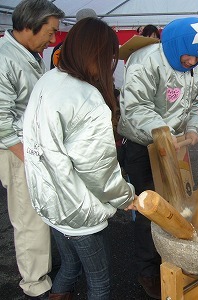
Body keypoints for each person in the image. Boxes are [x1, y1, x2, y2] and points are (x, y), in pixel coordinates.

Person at [118, 17, 198, 299]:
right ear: (176, 44)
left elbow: (194, 103)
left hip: (173, 146)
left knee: (175, 204)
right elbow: (135, 107)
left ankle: (170, 257)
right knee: (149, 209)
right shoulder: (145, 60)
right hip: (141, 145)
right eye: (190, 54)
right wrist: (164, 132)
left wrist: (193, 128)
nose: (193, 61)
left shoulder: (197, 66)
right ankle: (148, 270)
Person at [23, 18, 138, 300]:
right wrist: (126, 198)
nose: (111, 63)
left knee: (71, 266)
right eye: (110, 55)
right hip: (78, 211)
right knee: (99, 283)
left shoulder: (48, 79)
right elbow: (98, 169)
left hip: (49, 201)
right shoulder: (87, 98)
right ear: (98, 54)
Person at [0, 1, 64, 299]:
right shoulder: (4, 58)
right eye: (50, 32)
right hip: (16, 149)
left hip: (31, 147)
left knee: (40, 210)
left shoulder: (28, 54)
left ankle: (43, 267)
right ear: (28, 25)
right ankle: (34, 282)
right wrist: (29, 158)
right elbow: (1, 120)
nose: (52, 40)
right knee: (28, 215)